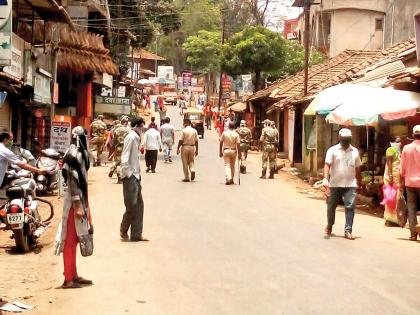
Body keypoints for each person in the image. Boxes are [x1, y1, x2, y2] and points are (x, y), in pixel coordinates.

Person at [55, 126, 93, 289]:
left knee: (77, 239)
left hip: (81, 201)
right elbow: (72, 180)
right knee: (70, 241)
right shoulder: (73, 155)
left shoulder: (79, 153)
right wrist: (78, 205)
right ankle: (68, 278)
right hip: (73, 203)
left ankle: (74, 274)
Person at [323, 128, 362, 240]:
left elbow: (358, 167)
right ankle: (330, 225)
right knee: (331, 207)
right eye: (344, 139)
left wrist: (359, 182)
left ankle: (348, 230)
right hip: (335, 184)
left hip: (350, 184)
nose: (346, 141)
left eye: (348, 139)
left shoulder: (354, 151)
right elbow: (327, 165)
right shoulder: (332, 150)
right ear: (339, 138)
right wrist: (326, 178)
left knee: (350, 206)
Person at [120, 117, 148, 242]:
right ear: (137, 126)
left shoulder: (136, 138)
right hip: (130, 175)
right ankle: (124, 229)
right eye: (142, 126)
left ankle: (136, 234)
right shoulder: (131, 138)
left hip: (136, 175)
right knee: (132, 205)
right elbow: (125, 157)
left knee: (139, 205)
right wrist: (128, 174)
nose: (143, 129)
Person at [400, 125, 420, 241]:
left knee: (411, 208)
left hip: (410, 183)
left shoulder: (406, 148)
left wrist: (400, 184)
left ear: (413, 135)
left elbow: (402, 169)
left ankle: (413, 234)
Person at [383, 136, 402, 226]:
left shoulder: (399, 151)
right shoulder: (390, 150)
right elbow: (389, 163)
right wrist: (390, 176)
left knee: (397, 198)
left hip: (397, 177)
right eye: (398, 141)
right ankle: (389, 219)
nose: (399, 143)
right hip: (391, 177)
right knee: (391, 198)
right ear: (393, 142)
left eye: (400, 141)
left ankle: (396, 219)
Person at [109, 116, 129, 183]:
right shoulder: (128, 130)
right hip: (126, 148)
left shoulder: (117, 130)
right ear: (126, 122)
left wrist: (113, 146)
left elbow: (114, 140)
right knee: (123, 163)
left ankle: (116, 173)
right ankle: (121, 177)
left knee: (118, 162)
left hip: (118, 147)